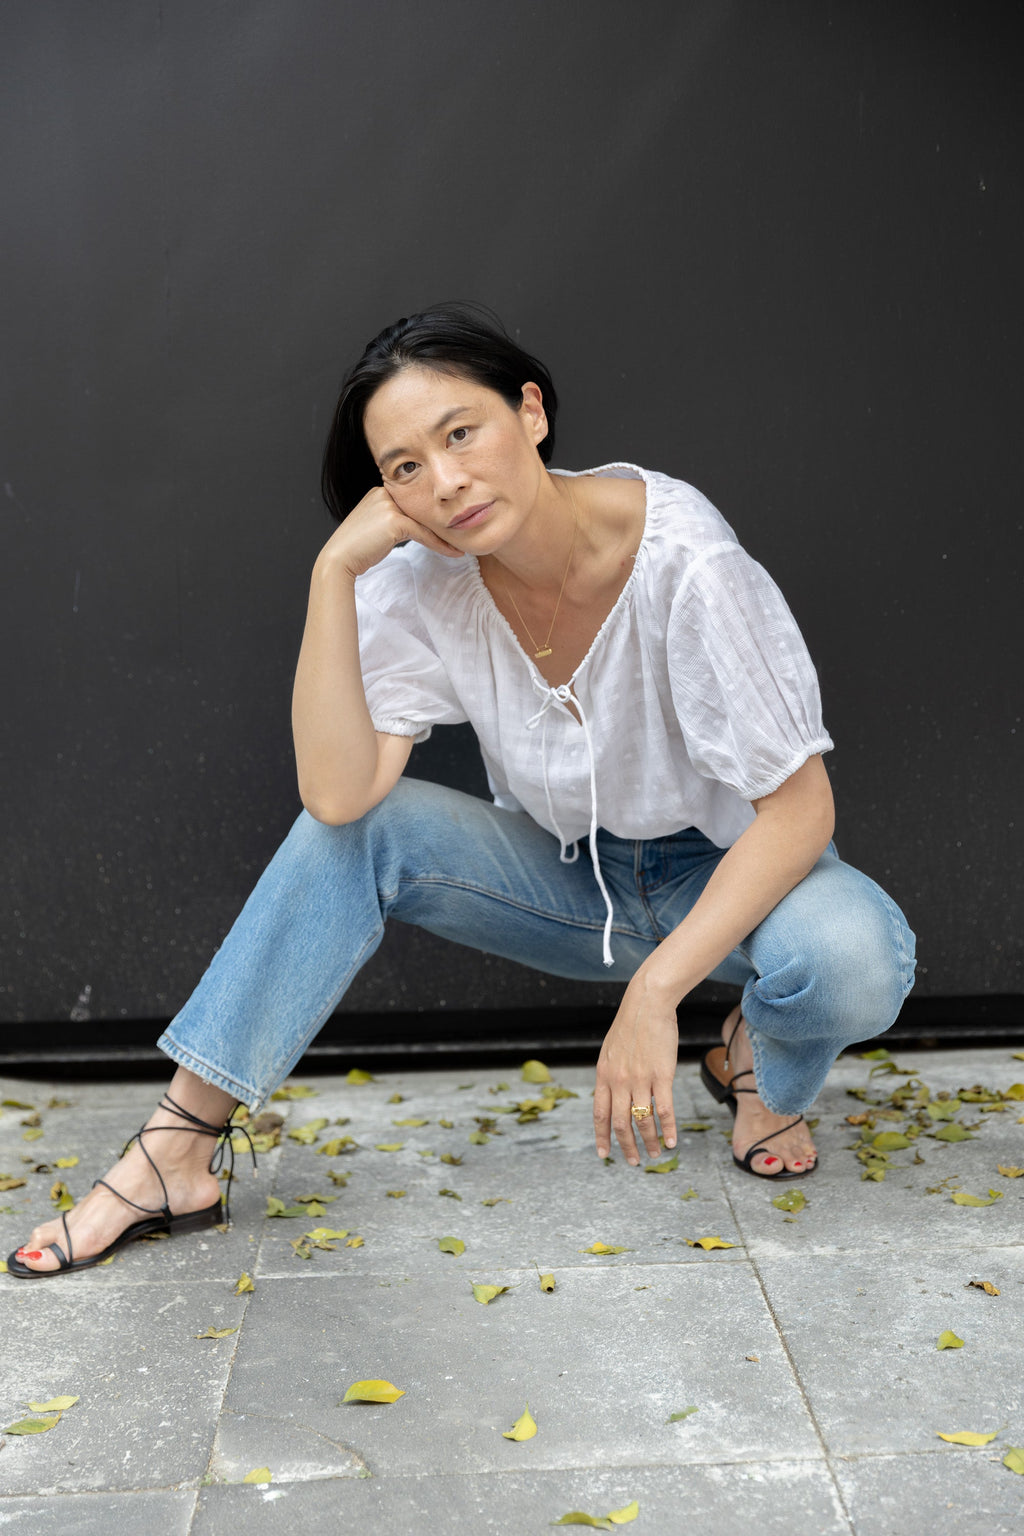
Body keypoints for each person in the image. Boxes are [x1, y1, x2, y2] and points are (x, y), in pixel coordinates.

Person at [8, 304, 915, 1278]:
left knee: (850, 959)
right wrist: (334, 573)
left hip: (737, 879)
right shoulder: (424, 584)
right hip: (571, 883)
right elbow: (338, 796)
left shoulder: (686, 565)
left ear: (528, 410)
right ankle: (175, 1155)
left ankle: (760, 1069)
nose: (444, 482)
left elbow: (799, 811)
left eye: (459, 434)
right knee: (354, 836)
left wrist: (656, 995)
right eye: (403, 468)